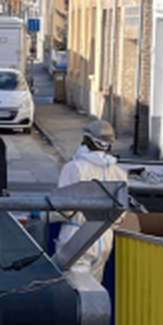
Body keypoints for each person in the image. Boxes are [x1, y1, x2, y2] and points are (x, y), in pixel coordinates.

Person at [53, 119, 129, 282]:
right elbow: (120, 215)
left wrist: (42, 213)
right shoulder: (119, 174)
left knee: (74, 292)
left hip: (77, 237)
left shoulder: (74, 168)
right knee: (94, 289)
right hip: (105, 239)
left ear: (87, 140)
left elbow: (63, 209)